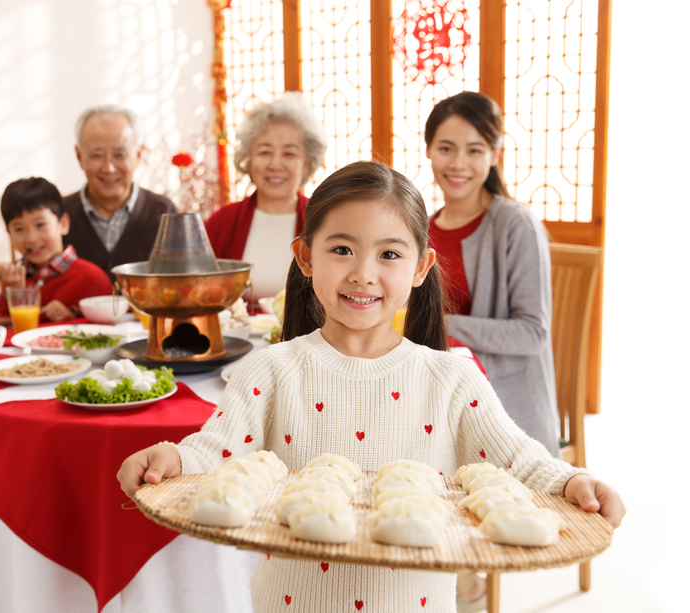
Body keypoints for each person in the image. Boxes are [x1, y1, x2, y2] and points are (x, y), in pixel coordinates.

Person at [117, 161, 625, 612]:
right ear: (306, 257)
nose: (363, 274)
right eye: (342, 249)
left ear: (422, 267)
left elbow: (519, 461)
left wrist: (570, 482)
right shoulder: (269, 370)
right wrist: (172, 459)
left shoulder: (450, 379)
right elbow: (216, 450)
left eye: (389, 254)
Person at [424, 92, 559, 457]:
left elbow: (533, 333)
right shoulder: (418, 228)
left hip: (504, 414)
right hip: (433, 402)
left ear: (494, 155)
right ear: (429, 151)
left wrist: (441, 323)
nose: (458, 164)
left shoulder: (517, 225)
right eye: (446, 148)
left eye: (475, 150)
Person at [205, 92, 327, 302]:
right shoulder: (222, 222)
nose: (275, 165)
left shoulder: (324, 221)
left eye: (289, 154)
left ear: (307, 164)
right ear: (248, 160)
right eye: (264, 152)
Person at [0, 177, 112, 326]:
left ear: (63, 224)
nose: (31, 238)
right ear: (9, 233)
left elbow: (108, 328)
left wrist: (72, 315)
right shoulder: (15, 278)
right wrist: (15, 293)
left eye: (40, 225)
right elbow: (4, 332)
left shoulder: (92, 278)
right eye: (19, 229)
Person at [61, 104, 177, 280]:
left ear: (138, 155)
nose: (109, 168)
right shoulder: (58, 215)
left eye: (120, 155)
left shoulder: (164, 213)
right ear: (79, 156)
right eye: (97, 155)